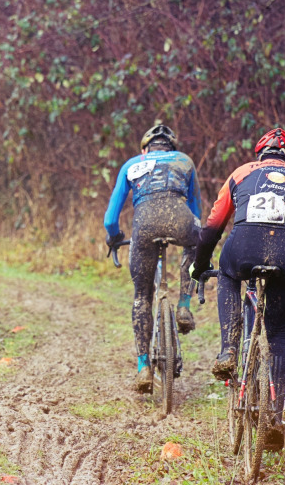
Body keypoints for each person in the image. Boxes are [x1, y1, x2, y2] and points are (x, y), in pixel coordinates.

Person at [189, 127, 285, 449]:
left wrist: (200, 265)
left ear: (260, 153)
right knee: (278, 332)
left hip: (243, 247)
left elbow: (212, 228)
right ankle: (274, 417)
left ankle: (228, 350)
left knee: (229, 275)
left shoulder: (241, 172)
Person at [104, 124, 202, 392]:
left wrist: (114, 236)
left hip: (144, 226)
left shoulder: (132, 164)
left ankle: (143, 366)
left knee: (141, 296)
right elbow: (196, 209)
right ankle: (183, 304)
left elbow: (111, 219)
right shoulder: (185, 161)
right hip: (180, 219)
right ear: (171, 147)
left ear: (145, 149)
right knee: (195, 240)